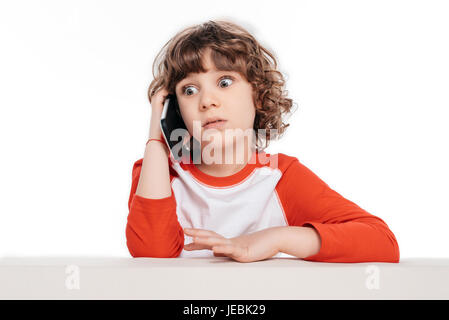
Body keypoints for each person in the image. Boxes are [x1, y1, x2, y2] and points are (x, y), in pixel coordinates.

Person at [125, 20, 400, 263]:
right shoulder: (157, 172)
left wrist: (276, 238)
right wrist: (156, 137)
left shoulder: (280, 178)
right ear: (173, 109)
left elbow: (381, 242)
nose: (207, 101)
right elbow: (152, 254)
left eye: (224, 82)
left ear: (257, 95)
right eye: (189, 90)